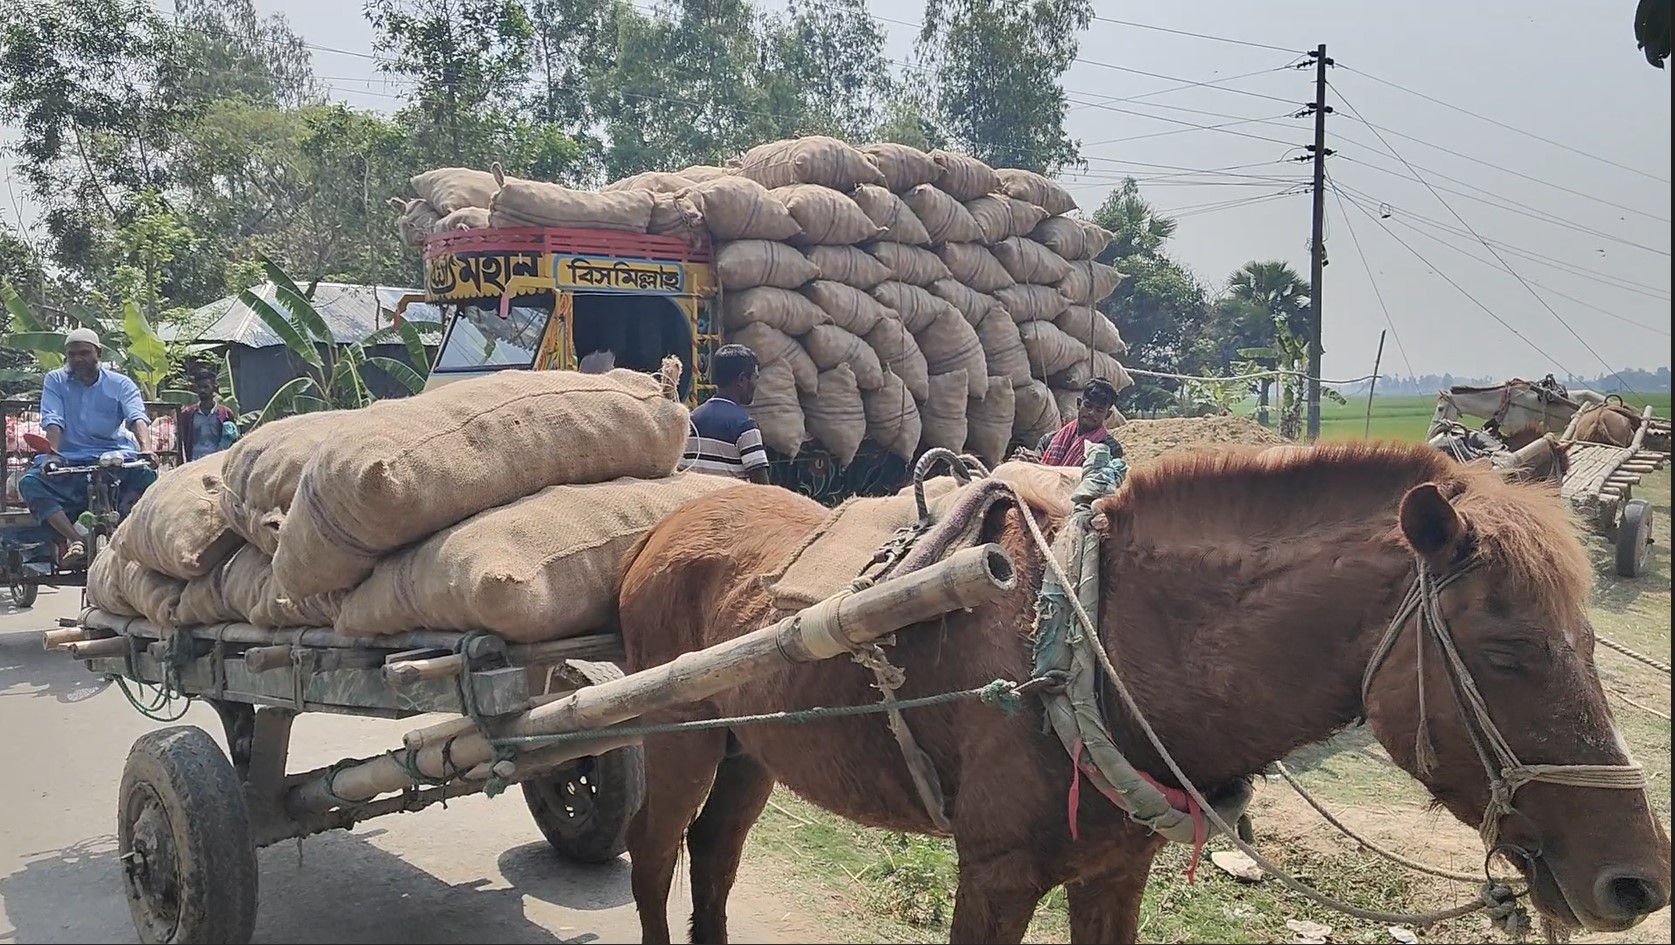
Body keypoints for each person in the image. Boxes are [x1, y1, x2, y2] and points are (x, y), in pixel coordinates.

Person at [17, 327, 158, 565]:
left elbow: (136, 416)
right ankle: (74, 539)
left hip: (115, 456)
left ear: (98, 354)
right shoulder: (56, 380)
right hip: (69, 458)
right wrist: (53, 453)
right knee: (30, 483)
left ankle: (126, 529)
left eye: (84, 353)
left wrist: (146, 447)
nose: (78, 360)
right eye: (72, 355)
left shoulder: (120, 383)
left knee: (149, 477)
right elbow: (53, 418)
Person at [682, 344, 772, 484]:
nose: (756, 384)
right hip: (729, 505)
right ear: (742, 380)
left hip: (696, 503)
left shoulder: (690, 421)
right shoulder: (745, 426)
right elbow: (762, 489)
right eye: (755, 378)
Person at [1017, 377, 1126, 467]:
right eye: (1088, 406)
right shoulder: (1049, 440)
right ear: (1079, 404)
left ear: (1107, 415)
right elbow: (1034, 467)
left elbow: (1092, 483)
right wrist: (1025, 460)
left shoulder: (1109, 448)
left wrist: (1042, 468)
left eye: (1099, 410)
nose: (1091, 413)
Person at [176, 367, 239, 462]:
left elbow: (233, 440)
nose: (202, 390)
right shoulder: (188, 414)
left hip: (218, 461)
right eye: (199, 387)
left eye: (206, 387)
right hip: (194, 462)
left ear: (213, 387)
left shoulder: (225, 413)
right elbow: (181, 441)